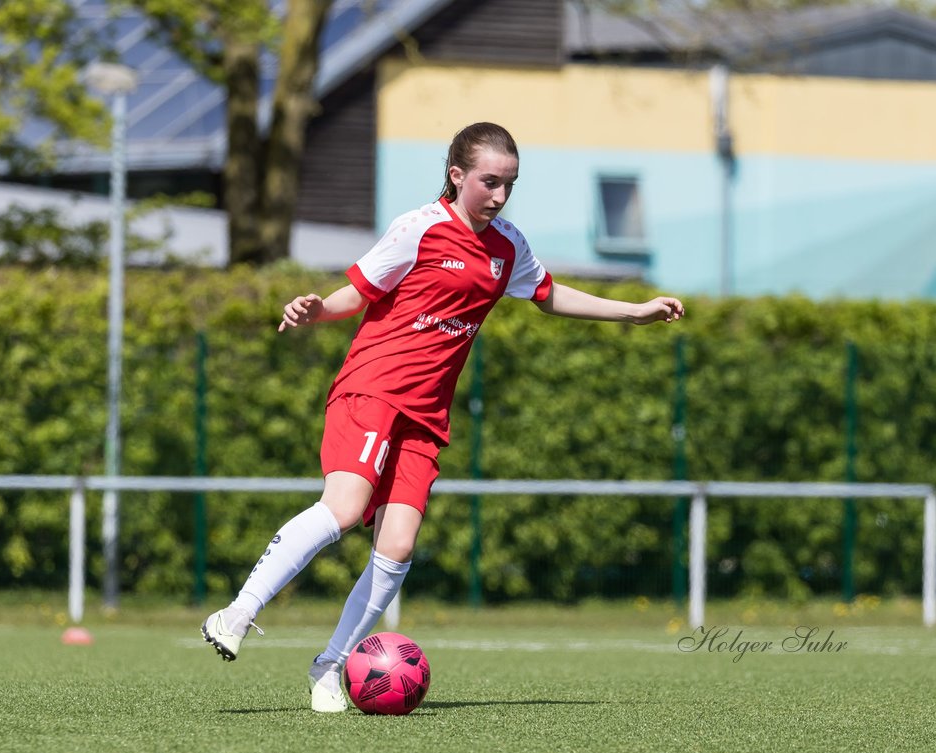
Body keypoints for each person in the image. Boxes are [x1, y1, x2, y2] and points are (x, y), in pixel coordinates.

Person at [202, 121, 684, 712]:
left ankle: (330, 667)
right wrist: (316, 309)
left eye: (510, 184)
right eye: (489, 182)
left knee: (398, 548)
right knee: (347, 507)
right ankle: (237, 612)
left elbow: (548, 293)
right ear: (457, 175)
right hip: (373, 389)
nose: (500, 196)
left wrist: (632, 312)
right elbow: (359, 291)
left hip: (426, 414)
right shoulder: (419, 229)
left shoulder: (508, 245)